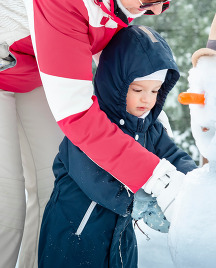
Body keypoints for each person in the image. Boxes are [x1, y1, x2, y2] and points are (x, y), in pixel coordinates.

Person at [0, 0, 176, 267]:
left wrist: (153, 122)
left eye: (165, 4)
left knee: (54, 190)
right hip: (15, 68)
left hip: (36, 74)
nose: (153, 11)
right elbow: (79, 116)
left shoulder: (118, 7)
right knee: (7, 206)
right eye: (150, 1)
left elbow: (117, 74)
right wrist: (160, 180)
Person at [38, 25, 197, 267]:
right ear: (116, 82)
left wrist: (193, 182)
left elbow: (172, 155)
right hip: (74, 234)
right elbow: (94, 178)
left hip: (120, 237)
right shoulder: (90, 127)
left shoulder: (148, 127)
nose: (147, 99)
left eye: (155, 91)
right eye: (138, 89)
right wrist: (138, 204)